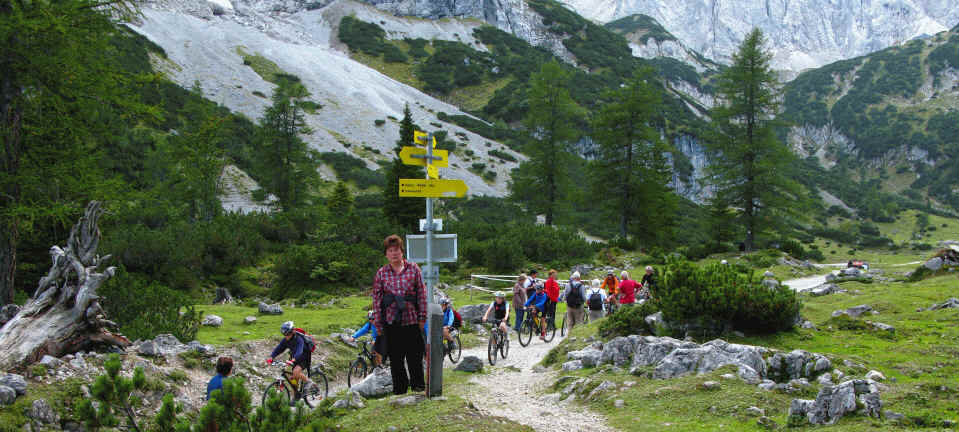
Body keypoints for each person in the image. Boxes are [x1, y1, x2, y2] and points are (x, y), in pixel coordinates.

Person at [372, 234, 427, 395]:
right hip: (391, 321)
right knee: (396, 359)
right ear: (386, 254)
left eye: (397, 250)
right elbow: (377, 300)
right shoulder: (382, 273)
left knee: (415, 356)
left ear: (402, 252)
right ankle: (400, 390)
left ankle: (418, 387)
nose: (394, 253)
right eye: (390, 251)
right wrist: (378, 323)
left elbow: (421, 294)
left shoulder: (414, 269)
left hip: (412, 319)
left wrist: (422, 317)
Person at [266, 321, 316, 394]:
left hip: (304, 357)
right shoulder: (286, 339)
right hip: (294, 358)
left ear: (292, 332)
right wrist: (271, 357)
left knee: (296, 372)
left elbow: (299, 351)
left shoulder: (299, 339)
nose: (286, 336)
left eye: (288, 334)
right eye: (284, 334)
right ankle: (296, 395)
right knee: (292, 379)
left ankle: (309, 382)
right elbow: (279, 348)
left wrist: (293, 360)